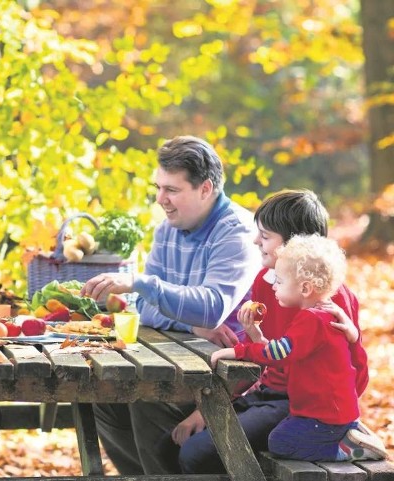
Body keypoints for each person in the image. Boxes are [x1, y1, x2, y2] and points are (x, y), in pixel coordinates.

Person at [79, 135, 261, 474]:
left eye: (172, 190)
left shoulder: (236, 233)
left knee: (148, 395)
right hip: (187, 352)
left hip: (232, 372)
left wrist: (144, 285)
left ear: (205, 189)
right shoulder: (168, 229)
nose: (161, 199)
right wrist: (189, 323)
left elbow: (211, 308)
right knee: (104, 395)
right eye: (158, 188)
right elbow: (143, 308)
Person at [167, 189, 370, 474]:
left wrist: (333, 421)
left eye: (265, 236)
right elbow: (270, 355)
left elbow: (352, 376)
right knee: (169, 444)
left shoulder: (330, 301)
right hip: (265, 391)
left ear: (295, 246)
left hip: (301, 407)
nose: (255, 241)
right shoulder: (267, 281)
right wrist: (207, 408)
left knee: (196, 453)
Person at [211, 234, 388, 462]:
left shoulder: (312, 320)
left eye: (280, 281)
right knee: (278, 435)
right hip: (327, 413)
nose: (274, 285)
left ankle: (346, 448)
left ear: (305, 288)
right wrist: (256, 336)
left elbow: (279, 353)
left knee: (279, 443)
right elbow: (284, 353)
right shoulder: (319, 316)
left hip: (325, 417)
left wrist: (238, 351)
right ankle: (347, 436)